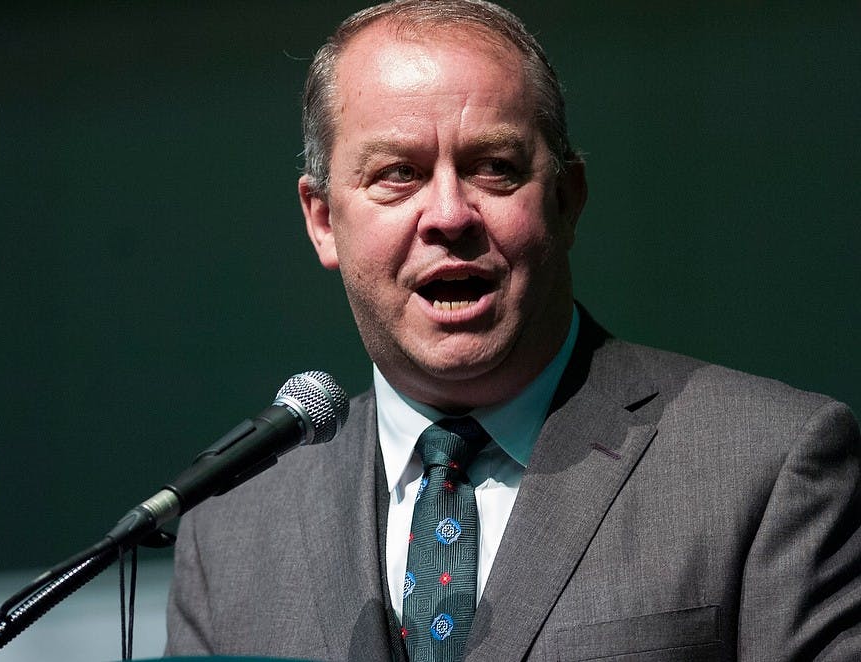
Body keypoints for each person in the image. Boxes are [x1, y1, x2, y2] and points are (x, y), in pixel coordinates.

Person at [165, 1, 861, 660]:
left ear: (566, 199)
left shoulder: (765, 466)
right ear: (322, 221)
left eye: (493, 168)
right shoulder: (228, 532)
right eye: (398, 174)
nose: (449, 214)